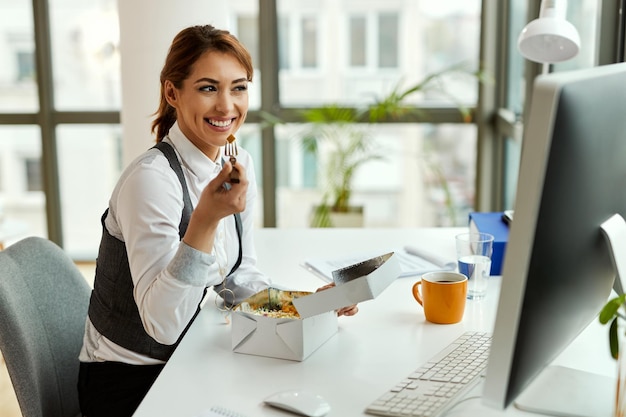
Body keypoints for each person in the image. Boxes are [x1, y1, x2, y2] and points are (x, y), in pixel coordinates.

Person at [76, 24, 357, 417]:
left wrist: (303, 305)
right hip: (131, 384)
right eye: (209, 88)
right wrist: (205, 220)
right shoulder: (151, 181)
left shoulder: (238, 163)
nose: (227, 106)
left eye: (238, 87)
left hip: (190, 357)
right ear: (173, 92)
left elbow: (240, 280)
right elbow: (163, 326)